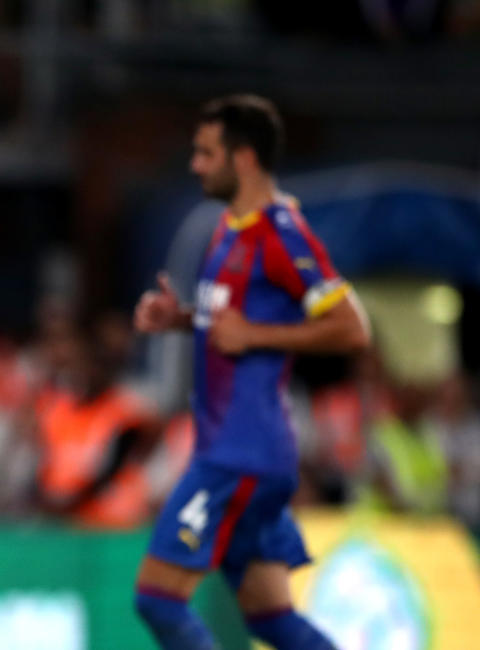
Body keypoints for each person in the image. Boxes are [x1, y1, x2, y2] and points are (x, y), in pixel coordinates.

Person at [132, 94, 370, 649]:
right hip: (246, 451)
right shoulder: (231, 229)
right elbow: (233, 322)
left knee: (158, 600)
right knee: (270, 615)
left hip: (238, 454)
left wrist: (256, 335)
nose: (194, 165)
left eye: (205, 153)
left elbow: (352, 328)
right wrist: (184, 319)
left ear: (243, 158)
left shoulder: (282, 233)